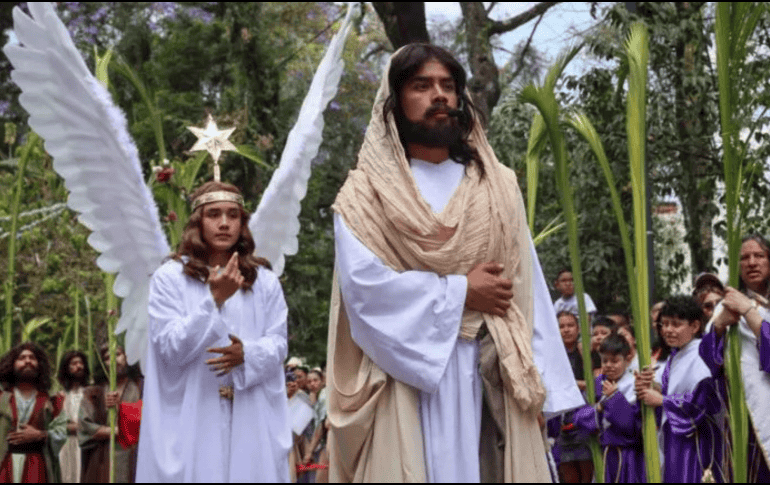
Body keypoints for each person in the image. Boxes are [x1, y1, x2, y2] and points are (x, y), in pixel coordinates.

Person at [327, 43, 582, 483]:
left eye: (448, 85)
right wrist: (463, 290)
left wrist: (543, 391)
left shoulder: (497, 185)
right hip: (405, 381)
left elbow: (526, 288)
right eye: (421, 86)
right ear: (394, 100)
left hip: (492, 371)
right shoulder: (363, 196)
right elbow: (365, 293)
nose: (439, 96)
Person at [136, 181, 291, 482]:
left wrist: (247, 353)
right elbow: (169, 347)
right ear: (197, 222)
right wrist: (214, 300)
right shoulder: (171, 278)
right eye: (214, 214)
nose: (224, 223)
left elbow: (278, 343)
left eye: (233, 215)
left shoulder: (265, 282)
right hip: (194, 422)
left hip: (251, 420)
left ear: (242, 223)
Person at [700, 235, 770, 482]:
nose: (752, 262)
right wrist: (718, 326)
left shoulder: (744, 306)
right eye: (744, 258)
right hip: (746, 423)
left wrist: (749, 311)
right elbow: (707, 365)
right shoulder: (726, 307)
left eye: (759, 256)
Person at [636, 296, 723, 483]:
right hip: (675, 437)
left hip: (697, 441)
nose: (667, 330)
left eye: (675, 324)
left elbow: (702, 402)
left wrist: (661, 401)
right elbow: (666, 388)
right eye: (664, 324)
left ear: (695, 326)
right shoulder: (675, 355)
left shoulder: (701, 352)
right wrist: (646, 386)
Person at [573, 333, 646, 483]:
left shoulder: (634, 384)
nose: (609, 365)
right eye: (605, 360)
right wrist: (599, 407)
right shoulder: (599, 382)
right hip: (605, 453)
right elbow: (578, 417)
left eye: (614, 361)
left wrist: (614, 398)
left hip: (627, 455)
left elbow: (630, 425)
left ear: (627, 359)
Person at [0, 342, 66, 483]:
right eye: (22, 358)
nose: (27, 361)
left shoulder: (52, 400)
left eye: (32, 357)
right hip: (6, 465)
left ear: (39, 364)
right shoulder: (1, 398)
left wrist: (41, 435)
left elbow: (62, 432)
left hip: (37, 466)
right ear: (12, 364)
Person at [79, 345, 142, 483]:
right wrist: (118, 431)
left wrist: (122, 406)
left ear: (126, 356)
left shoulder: (141, 387)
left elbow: (148, 422)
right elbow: (85, 428)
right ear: (102, 364)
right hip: (102, 458)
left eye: (118, 354)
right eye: (107, 358)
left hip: (135, 457)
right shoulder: (93, 393)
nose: (114, 360)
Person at [552, 312, 593, 482]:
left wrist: (585, 355)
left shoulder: (587, 351)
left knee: (588, 475)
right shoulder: (553, 355)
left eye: (570, 325)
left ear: (578, 329)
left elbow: (595, 382)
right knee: (567, 475)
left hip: (585, 420)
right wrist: (578, 384)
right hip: (561, 421)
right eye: (561, 326)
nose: (566, 330)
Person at [53, 350, 90, 483]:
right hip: (65, 446)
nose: (78, 366)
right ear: (66, 368)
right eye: (74, 363)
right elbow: (54, 426)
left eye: (81, 363)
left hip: (86, 444)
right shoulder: (59, 396)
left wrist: (79, 427)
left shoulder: (91, 393)